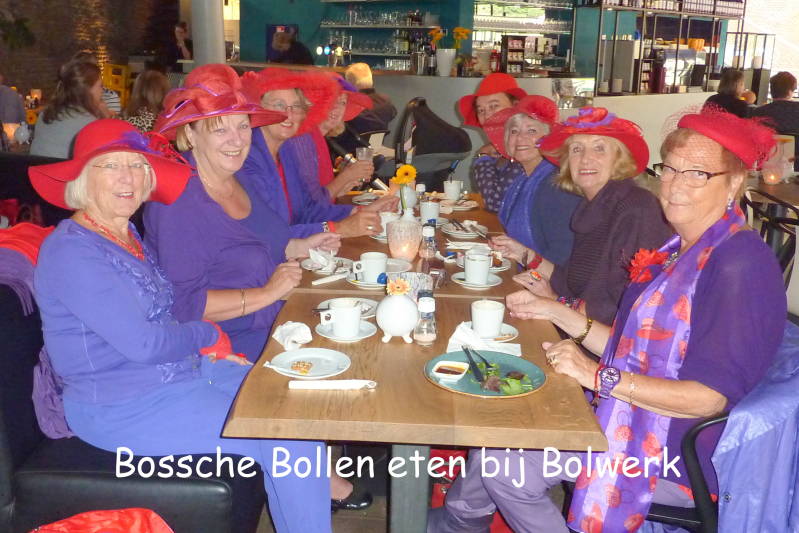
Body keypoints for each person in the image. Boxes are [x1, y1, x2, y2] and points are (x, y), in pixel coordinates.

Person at [429, 108, 786, 533]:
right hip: (634, 414)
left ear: (734, 183)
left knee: (505, 464)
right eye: (670, 169)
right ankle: (459, 520)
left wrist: (597, 377)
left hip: (676, 455)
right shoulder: (681, 250)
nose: (674, 186)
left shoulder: (739, 263)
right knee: (505, 420)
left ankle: (458, 520)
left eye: (697, 174)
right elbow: (629, 347)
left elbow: (707, 399)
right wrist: (557, 312)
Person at [30, 119, 333, 532]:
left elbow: (165, 313)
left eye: (137, 165)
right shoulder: (72, 252)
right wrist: (208, 334)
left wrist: (212, 355)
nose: (128, 178)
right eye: (110, 166)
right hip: (122, 405)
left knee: (294, 402)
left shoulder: (123, 233)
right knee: (285, 433)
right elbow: (146, 344)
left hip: (182, 375)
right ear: (82, 178)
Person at [146, 64, 339, 363]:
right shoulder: (178, 201)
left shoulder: (237, 176)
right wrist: (267, 293)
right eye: (220, 129)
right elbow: (183, 305)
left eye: (243, 126)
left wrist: (302, 246)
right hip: (227, 347)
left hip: (280, 321)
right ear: (191, 134)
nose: (236, 140)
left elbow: (258, 243)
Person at [492, 107, 672, 327]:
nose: (586, 159)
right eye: (577, 149)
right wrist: (523, 254)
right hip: (578, 326)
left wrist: (556, 303)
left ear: (618, 159)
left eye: (599, 148)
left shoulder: (636, 209)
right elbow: (569, 280)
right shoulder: (591, 207)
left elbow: (620, 309)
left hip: (604, 342)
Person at [240, 67, 397, 239]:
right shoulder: (247, 160)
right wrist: (339, 228)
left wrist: (361, 211)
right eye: (279, 105)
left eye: (296, 106)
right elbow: (267, 236)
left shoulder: (286, 152)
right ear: (258, 108)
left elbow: (308, 211)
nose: (289, 114)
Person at [479, 95, 580, 265]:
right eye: (514, 131)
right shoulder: (522, 178)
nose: (520, 138)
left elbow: (563, 256)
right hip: (518, 269)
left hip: (541, 278)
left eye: (531, 131)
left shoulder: (555, 184)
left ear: (549, 137)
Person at [292, 74, 376, 201]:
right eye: (332, 100)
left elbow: (325, 195)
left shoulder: (319, 140)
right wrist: (347, 175)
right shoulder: (302, 141)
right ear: (314, 103)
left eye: (342, 102)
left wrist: (346, 183)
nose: (337, 108)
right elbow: (313, 202)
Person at [30, 59, 106, 158]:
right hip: (62, 168)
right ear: (88, 90)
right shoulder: (89, 123)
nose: (102, 91)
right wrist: (105, 120)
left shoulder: (45, 113)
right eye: (100, 86)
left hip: (36, 167)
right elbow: (99, 159)